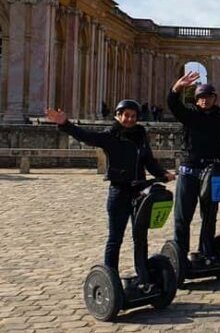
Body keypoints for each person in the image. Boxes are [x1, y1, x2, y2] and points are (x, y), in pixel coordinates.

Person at [46, 101, 175, 273]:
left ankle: (144, 274)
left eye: (133, 116)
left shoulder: (140, 135)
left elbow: (149, 161)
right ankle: (111, 276)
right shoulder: (110, 135)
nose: (129, 119)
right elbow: (87, 136)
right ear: (118, 115)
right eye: (126, 115)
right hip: (119, 192)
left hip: (140, 192)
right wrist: (65, 124)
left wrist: (163, 173)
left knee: (140, 238)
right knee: (115, 238)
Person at [167, 72, 220, 262]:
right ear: (196, 100)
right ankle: (180, 256)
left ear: (214, 99)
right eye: (200, 97)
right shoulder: (189, 115)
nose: (204, 100)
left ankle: (206, 252)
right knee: (183, 217)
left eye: (208, 97)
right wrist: (177, 88)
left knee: (209, 216)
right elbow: (173, 105)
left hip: (212, 172)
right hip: (188, 171)